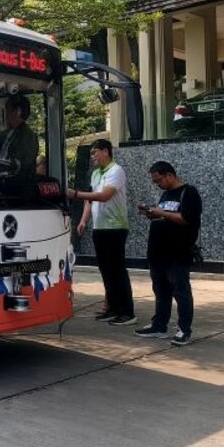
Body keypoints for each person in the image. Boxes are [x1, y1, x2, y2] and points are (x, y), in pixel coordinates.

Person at [66, 139, 135, 325]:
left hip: (116, 227)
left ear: (106, 151)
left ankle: (127, 311)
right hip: (100, 227)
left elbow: (104, 196)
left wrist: (76, 194)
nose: (93, 157)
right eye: (91, 154)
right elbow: (91, 200)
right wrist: (83, 221)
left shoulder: (116, 171)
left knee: (117, 270)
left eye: (95, 152)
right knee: (106, 271)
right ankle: (112, 308)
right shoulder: (96, 173)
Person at [135, 161, 202, 346]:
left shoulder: (188, 193)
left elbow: (187, 218)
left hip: (177, 253)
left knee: (181, 292)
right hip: (158, 252)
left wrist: (161, 213)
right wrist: (151, 213)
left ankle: (184, 330)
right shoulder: (165, 194)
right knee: (161, 291)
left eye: (159, 181)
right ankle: (159, 326)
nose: (157, 185)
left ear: (169, 175)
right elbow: (164, 215)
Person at [0, 94, 38, 181]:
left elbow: (19, 165)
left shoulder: (28, 137)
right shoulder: (7, 133)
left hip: (18, 188)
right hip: (2, 183)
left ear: (18, 111)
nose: (6, 116)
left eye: (8, 111)